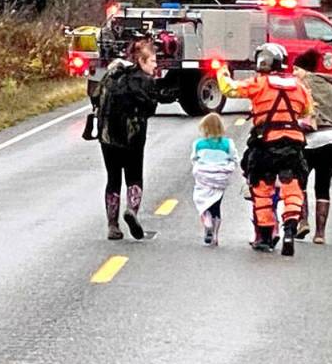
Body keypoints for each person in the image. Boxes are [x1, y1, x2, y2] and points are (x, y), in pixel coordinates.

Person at [217, 43, 313, 257]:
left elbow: (228, 89)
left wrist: (221, 70)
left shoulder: (259, 84)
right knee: (293, 187)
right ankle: (290, 229)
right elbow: (307, 110)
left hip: (265, 144)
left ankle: (266, 237)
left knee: (261, 188)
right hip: (293, 144)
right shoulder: (299, 87)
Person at [96, 39, 175, 240]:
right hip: (133, 137)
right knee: (134, 176)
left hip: (107, 136)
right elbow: (149, 108)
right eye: (153, 61)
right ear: (141, 60)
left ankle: (112, 225)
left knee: (113, 179)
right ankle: (132, 210)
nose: (155, 65)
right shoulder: (144, 81)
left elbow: (96, 98)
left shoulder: (111, 75)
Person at [292, 49, 332, 245]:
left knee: (299, 183)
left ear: (305, 69)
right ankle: (320, 234)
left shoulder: (301, 86)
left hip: (307, 142)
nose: (293, 73)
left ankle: (303, 221)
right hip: (330, 141)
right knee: (323, 188)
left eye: (296, 69)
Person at [191, 113, 238, 246]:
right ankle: (215, 236)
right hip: (220, 178)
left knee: (202, 201)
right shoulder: (228, 143)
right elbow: (234, 158)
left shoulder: (198, 144)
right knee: (216, 205)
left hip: (204, 177)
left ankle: (207, 219)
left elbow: (194, 159)